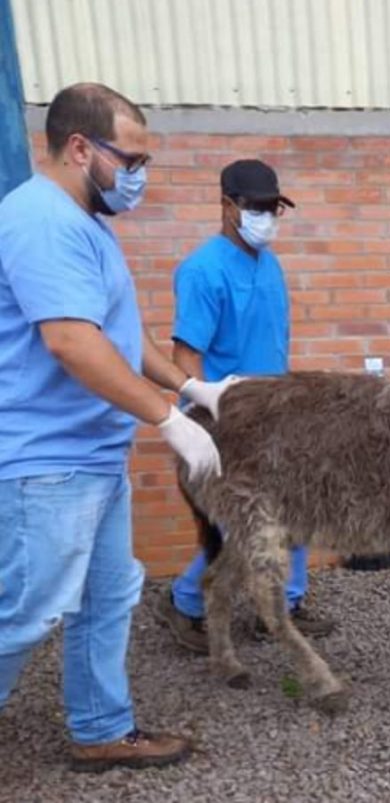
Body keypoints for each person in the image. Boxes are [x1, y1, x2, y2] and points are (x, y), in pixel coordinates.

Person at [0, 82, 233, 771]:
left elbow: (117, 335)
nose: (139, 176)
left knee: (108, 597)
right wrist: (169, 419)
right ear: (79, 147)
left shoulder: (85, 222)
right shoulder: (41, 220)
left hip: (93, 455)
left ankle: (101, 727)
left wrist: (191, 386)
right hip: (47, 461)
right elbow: (73, 342)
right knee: (29, 609)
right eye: (129, 159)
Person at [154, 159, 336, 653]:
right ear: (227, 205)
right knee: (244, 527)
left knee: (297, 511)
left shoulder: (268, 263)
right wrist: (202, 421)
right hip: (227, 422)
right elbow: (185, 355)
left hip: (277, 416)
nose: (266, 216)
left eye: (273, 207)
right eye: (255, 207)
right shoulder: (202, 270)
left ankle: (283, 606)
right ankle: (184, 603)